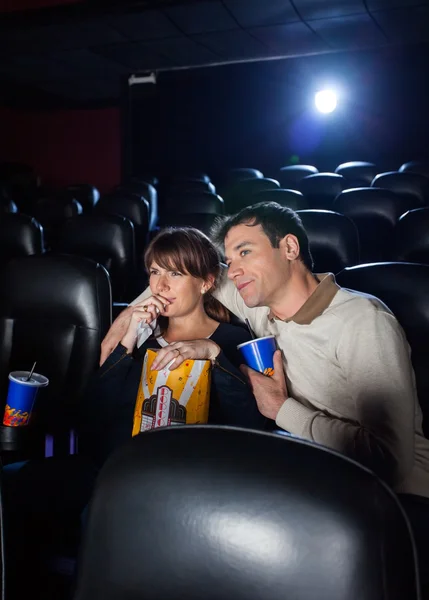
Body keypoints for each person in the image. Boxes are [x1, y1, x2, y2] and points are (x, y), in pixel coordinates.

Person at [101, 201, 429, 590]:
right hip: (318, 483)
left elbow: (388, 462)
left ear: (289, 248)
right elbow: (185, 276)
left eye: (245, 252)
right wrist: (133, 314)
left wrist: (281, 409)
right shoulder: (259, 305)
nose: (233, 269)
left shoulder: (362, 320)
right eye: (229, 258)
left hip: (398, 502)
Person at [81, 226, 265, 466]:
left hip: (196, 473)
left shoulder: (232, 340)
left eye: (175, 273)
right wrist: (128, 340)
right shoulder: (141, 337)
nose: (161, 285)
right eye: (155, 272)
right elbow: (95, 414)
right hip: (127, 469)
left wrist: (213, 353)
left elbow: (248, 424)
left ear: (206, 283)